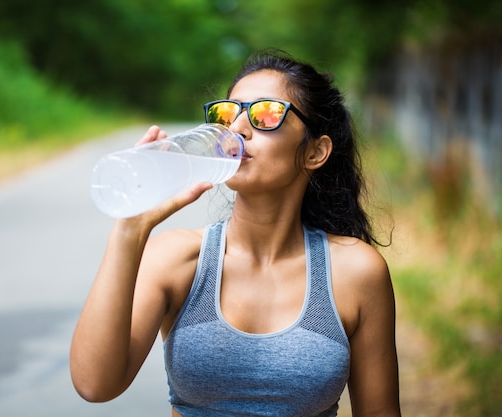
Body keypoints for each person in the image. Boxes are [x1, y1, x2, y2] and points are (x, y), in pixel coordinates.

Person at [70, 50, 401, 417]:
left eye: (265, 114)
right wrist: (129, 230)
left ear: (315, 151)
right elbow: (94, 384)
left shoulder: (355, 272)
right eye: (229, 114)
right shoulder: (179, 259)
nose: (239, 128)